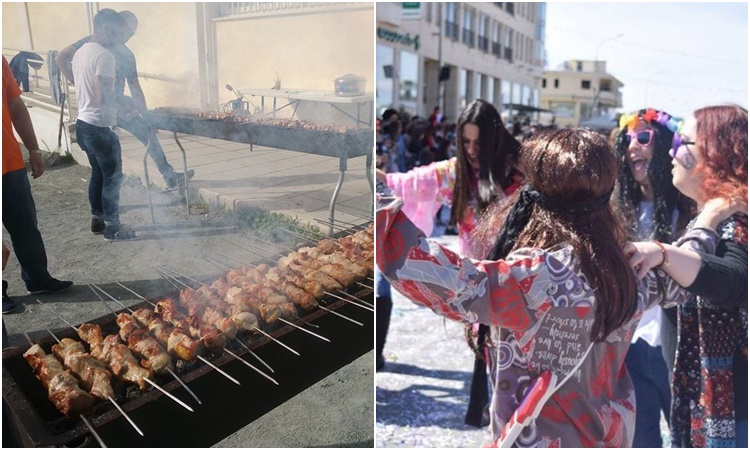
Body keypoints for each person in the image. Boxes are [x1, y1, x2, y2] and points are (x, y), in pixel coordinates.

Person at [377, 127, 689, 447]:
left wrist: (373, 195)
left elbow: (441, 278)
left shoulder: (538, 279)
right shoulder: (631, 268)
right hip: (611, 437)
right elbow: (694, 280)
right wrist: (666, 252)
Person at [375, 99, 524, 423]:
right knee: (485, 352)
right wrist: (375, 177)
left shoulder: (519, 171)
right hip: (475, 282)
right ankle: (489, 418)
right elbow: (411, 182)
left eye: (479, 143)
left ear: (494, 140)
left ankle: (502, 421)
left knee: (505, 361)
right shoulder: (455, 173)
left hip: (516, 280)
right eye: (465, 141)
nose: (471, 150)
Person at [626, 104, 748, 448]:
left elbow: (735, 281)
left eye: (683, 141)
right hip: (701, 402)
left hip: (733, 416)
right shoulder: (711, 216)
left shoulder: (737, 218)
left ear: (714, 155)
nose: (671, 149)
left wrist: (664, 254)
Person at [613, 108, 695, 447]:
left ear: (663, 146)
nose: (634, 145)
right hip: (631, 349)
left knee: (687, 439)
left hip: (676, 349)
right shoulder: (617, 210)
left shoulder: (689, 210)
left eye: (644, 137)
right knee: (641, 441)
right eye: (628, 138)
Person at [56, 10, 193, 191]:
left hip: (118, 107)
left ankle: (169, 177)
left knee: (147, 135)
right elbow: (60, 57)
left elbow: (135, 88)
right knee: (105, 166)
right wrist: (74, 80)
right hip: (99, 111)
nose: (127, 37)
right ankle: (108, 208)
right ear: (116, 26)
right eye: (126, 31)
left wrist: (147, 117)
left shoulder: (126, 54)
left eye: (131, 34)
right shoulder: (91, 42)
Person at [2, 55, 73, 309]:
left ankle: (38, 278)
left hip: (9, 164)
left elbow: (16, 107)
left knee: (26, 227)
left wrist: (33, 150)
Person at [70, 8, 141, 241]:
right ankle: (113, 227)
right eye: (117, 30)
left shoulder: (80, 52)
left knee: (98, 175)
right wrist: (127, 101)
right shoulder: (104, 56)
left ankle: (97, 220)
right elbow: (104, 96)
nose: (119, 36)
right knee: (113, 178)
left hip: (83, 124)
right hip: (100, 128)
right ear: (105, 28)